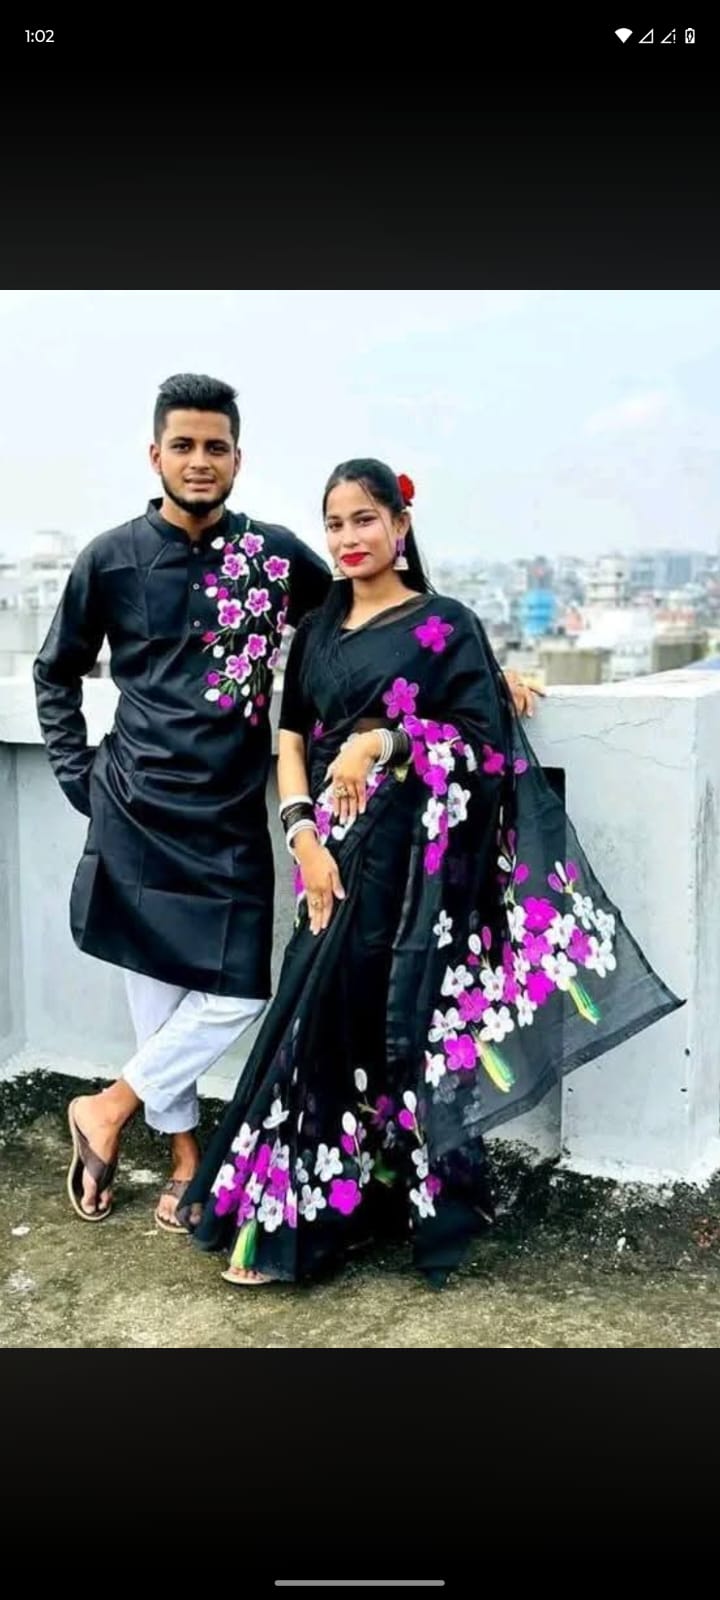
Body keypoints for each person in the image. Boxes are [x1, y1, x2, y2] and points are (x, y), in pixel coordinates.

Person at [179, 458, 683, 1290]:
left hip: (419, 875)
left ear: (400, 526)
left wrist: (389, 740)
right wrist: (302, 837)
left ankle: (380, 1193)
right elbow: (292, 738)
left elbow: (482, 745)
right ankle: (294, 1219)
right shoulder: (318, 630)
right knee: (318, 1017)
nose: (348, 538)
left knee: (399, 1020)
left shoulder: (447, 625)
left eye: (364, 519)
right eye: (334, 523)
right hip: (333, 858)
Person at [33, 373, 332, 1230]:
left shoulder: (274, 556)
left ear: (238, 458)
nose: (200, 461)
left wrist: (467, 661)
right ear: (155, 453)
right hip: (134, 810)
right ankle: (186, 1157)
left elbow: (360, 616)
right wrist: (81, 780)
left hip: (230, 816)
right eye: (184, 445)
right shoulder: (110, 558)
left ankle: (106, 1109)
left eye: (215, 447)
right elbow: (55, 672)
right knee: (157, 1003)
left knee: (237, 993)